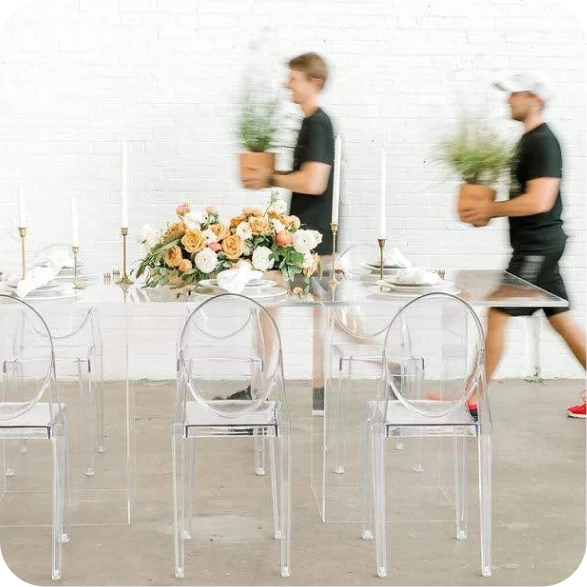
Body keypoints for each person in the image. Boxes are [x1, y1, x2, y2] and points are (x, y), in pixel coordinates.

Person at [461, 72, 587, 419]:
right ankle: (470, 395)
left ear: (535, 99)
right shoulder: (528, 141)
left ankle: (470, 399)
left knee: (497, 314)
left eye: (515, 94)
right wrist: (487, 208)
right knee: (562, 320)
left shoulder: (543, 142)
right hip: (538, 246)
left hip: (537, 248)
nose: (508, 99)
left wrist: (490, 209)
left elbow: (540, 200)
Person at [241, 52, 336, 409]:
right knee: (306, 314)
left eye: (293, 78)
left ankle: (263, 390)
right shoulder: (311, 123)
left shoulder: (319, 124)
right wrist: (275, 176)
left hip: (312, 243)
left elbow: (314, 182)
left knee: (279, 306)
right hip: (301, 240)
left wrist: (271, 177)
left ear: (314, 82)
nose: (287, 84)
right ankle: (269, 388)